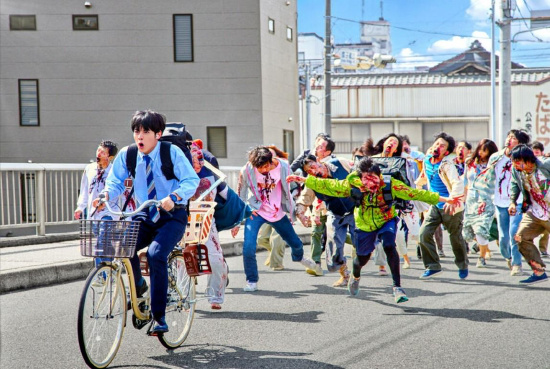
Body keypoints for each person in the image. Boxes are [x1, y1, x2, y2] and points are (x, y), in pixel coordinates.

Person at [288, 157, 453, 303]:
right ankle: (356, 276)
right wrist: (304, 180)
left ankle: (397, 287)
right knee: (361, 258)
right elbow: (329, 185)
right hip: (364, 225)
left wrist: (447, 199)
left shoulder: (391, 185)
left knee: (389, 245)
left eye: (374, 177)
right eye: (366, 179)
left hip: (386, 219)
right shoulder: (352, 185)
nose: (371, 183)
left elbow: (415, 193)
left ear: (379, 175)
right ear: (360, 178)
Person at [98, 109, 199, 335]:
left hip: (173, 215)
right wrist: (105, 196)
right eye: (136, 131)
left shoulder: (171, 152)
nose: (140, 136)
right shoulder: (128, 154)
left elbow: (191, 180)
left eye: (146, 131)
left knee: (155, 255)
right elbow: (114, 182)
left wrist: (174, 197)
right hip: (144, 213)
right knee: (124, 247)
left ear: (158, 134)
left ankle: (159, 316)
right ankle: (140, 287)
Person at [232, 146, 317, 292]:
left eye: (265, 167)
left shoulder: (283, 166)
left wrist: (298, 210)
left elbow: (294, 188)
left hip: (278, 212)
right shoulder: (246, 171)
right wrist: (237, 222)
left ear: (271, 162)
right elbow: (241, 196)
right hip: (256, 211)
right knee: (248, 247)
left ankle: (300, 258)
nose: (263, 170)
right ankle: (251, 280)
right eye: (259, 168)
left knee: (296, 244)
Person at [296, 154, 355, 287]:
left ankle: (356, 275)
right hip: (335, 213)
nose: (313, 171)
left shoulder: (339, 163)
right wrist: (301, 213)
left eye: (312, 166)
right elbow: (305, 198)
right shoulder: (313, 180)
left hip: (355, 210)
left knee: (361, 244)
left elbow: (358, 173)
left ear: (318, 161)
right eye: (309, 171)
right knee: (333, 248)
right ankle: (345, 275)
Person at [416, 132, 468, 280]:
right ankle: (433, 266)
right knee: (423, 234)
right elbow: (425, 175)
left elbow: (457, 183)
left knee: (455, 238)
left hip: (450, 206)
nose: (438, 147)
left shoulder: (447, 164)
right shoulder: (427, 159)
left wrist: (453, 200)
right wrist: (418, 186)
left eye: (442, 146)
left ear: (446, 151)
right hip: (434, 205)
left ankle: (462, 264)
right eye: (437, 143)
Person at [189, 142, 228, 310]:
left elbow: (227, 196)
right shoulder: (176, 172)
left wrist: (239, 214)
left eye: (199, 159)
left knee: (216, 260)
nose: (197, 163)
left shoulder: (211, 172)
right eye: (192, 159)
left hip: (206, 219)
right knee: (182, 260)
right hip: (181, 219)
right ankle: (183, 297)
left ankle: (215, 295)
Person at [486, 129, 530, 276]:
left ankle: (517, 264)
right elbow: (487, 179)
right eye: (508, 136)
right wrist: (484, 199)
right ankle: (508, 256)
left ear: (520, 143)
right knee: (503, 237)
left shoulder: (522, 158)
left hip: (517, 202)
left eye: (513, 138)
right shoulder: (495, 157)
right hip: (499, 202)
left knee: (513, 233)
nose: (509, 139)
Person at [75, 140, 120, 269]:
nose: (99, 153)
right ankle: (110, 267)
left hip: (109, 211)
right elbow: (84, 189)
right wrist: (80, 207)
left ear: (110, 157)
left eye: (103, 152)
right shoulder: (89, 169)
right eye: (98, 149)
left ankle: (101, 273)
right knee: (104, 242)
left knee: (100, 243)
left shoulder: (114, 171)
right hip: (93, 213)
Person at [509, 144, 550, 284]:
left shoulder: (545, 164)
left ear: (526, 159)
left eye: (516, 160)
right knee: (520, 237)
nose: (514, 164)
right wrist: (513, 202)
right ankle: (538, 271)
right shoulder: (517, 171)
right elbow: (515, 184)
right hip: (535, 212)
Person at [462, 139, 499, 268]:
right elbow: (466, 182)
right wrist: (462, 197)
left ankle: (481, 257)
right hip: (471, 200)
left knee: (480, 229)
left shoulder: (494, 165)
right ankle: (482, 247)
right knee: (468, 231)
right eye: (480, 149)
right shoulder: (470, 163)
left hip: (486, 199)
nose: (481, 153)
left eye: (485, 151)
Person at [531, 141, 549, 258]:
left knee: (546, 225)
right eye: (534, 152)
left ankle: (542, 249)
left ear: (542, 152)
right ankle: (530, 249)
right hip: (532, 199)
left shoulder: (546, 162)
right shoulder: (529, 164)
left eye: (537, 151)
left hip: (546, 197)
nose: (535, 154)